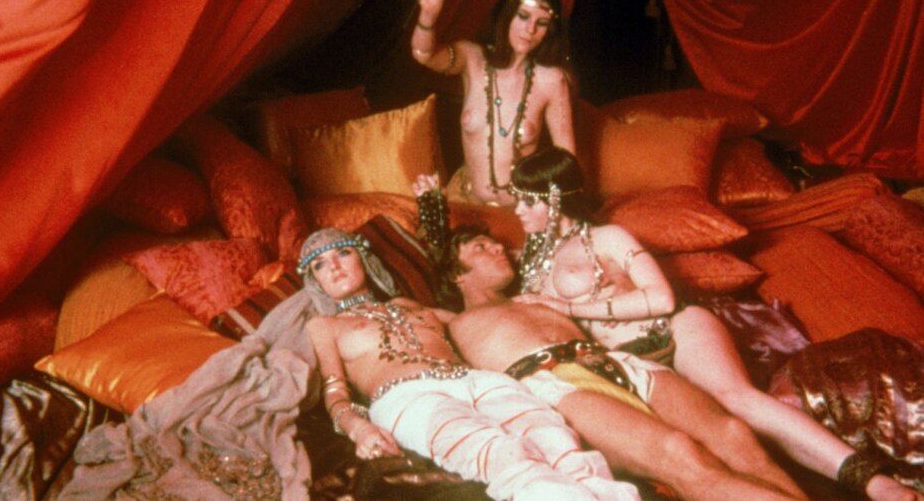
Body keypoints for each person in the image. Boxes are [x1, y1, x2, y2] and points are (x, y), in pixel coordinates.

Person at [507, 146, 922, 501]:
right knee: (693, 448)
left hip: (674, 328)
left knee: (735, 398)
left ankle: (875, 483)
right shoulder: (530, 259)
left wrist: (570, 309)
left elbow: (662, 298)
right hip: (629, 366)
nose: (518, 211)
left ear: (555, 199)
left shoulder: (608, 237)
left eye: (528, 201)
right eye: (516, 200)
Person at [437, 225, 808, 501]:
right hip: (553, 383)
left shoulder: (538, 294)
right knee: (680, 453)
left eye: (495, 242)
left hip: (614, 361)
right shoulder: (448, 321)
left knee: (733, 434)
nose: (497, 247)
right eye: (480, 247)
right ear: (457, 275)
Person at [299, 227, 640, 501]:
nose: (335, 266)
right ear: (316, 282)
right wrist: (358, 429)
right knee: (505, 455)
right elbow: (334, 392)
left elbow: (481, 319)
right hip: (409, 400)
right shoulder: (324, 326)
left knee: (558, 442)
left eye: (343, 253)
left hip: (478, 380)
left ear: (363, 258)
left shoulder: (409, 304)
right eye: (320, 264)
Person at [411, 0, 575, 207]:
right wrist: (428, 14)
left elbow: (567, 161)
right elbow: (423, 54)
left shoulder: (551, 80)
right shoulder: (472, 58)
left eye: (541, 23)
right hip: (464, 203)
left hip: (521, 212)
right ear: (507, 13)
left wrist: (552, 216)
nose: (530, 29)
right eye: (523, 16)